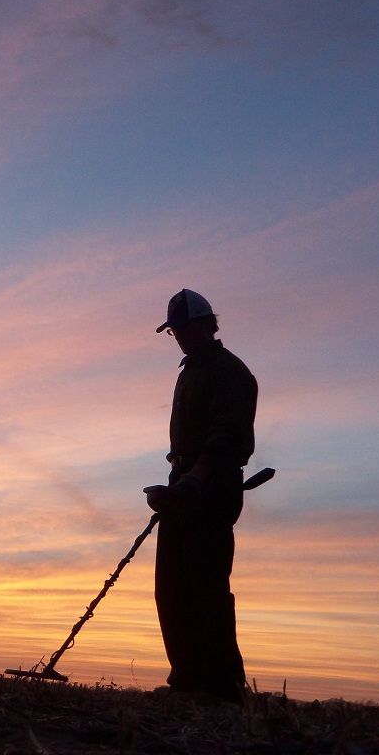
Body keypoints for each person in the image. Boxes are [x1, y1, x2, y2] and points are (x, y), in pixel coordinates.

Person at [143, 288, 257, 704]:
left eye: (187, 328)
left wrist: (198, 478)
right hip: (185, 485)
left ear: (209, 324)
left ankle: (223, 685)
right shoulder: (189, 372)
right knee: (171, 584)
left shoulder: (230, 372)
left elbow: (227, 437)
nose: (181, 336)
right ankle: (188, 678)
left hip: (213, 486)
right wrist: (176, 482)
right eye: (175, 331)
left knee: (206, 582)